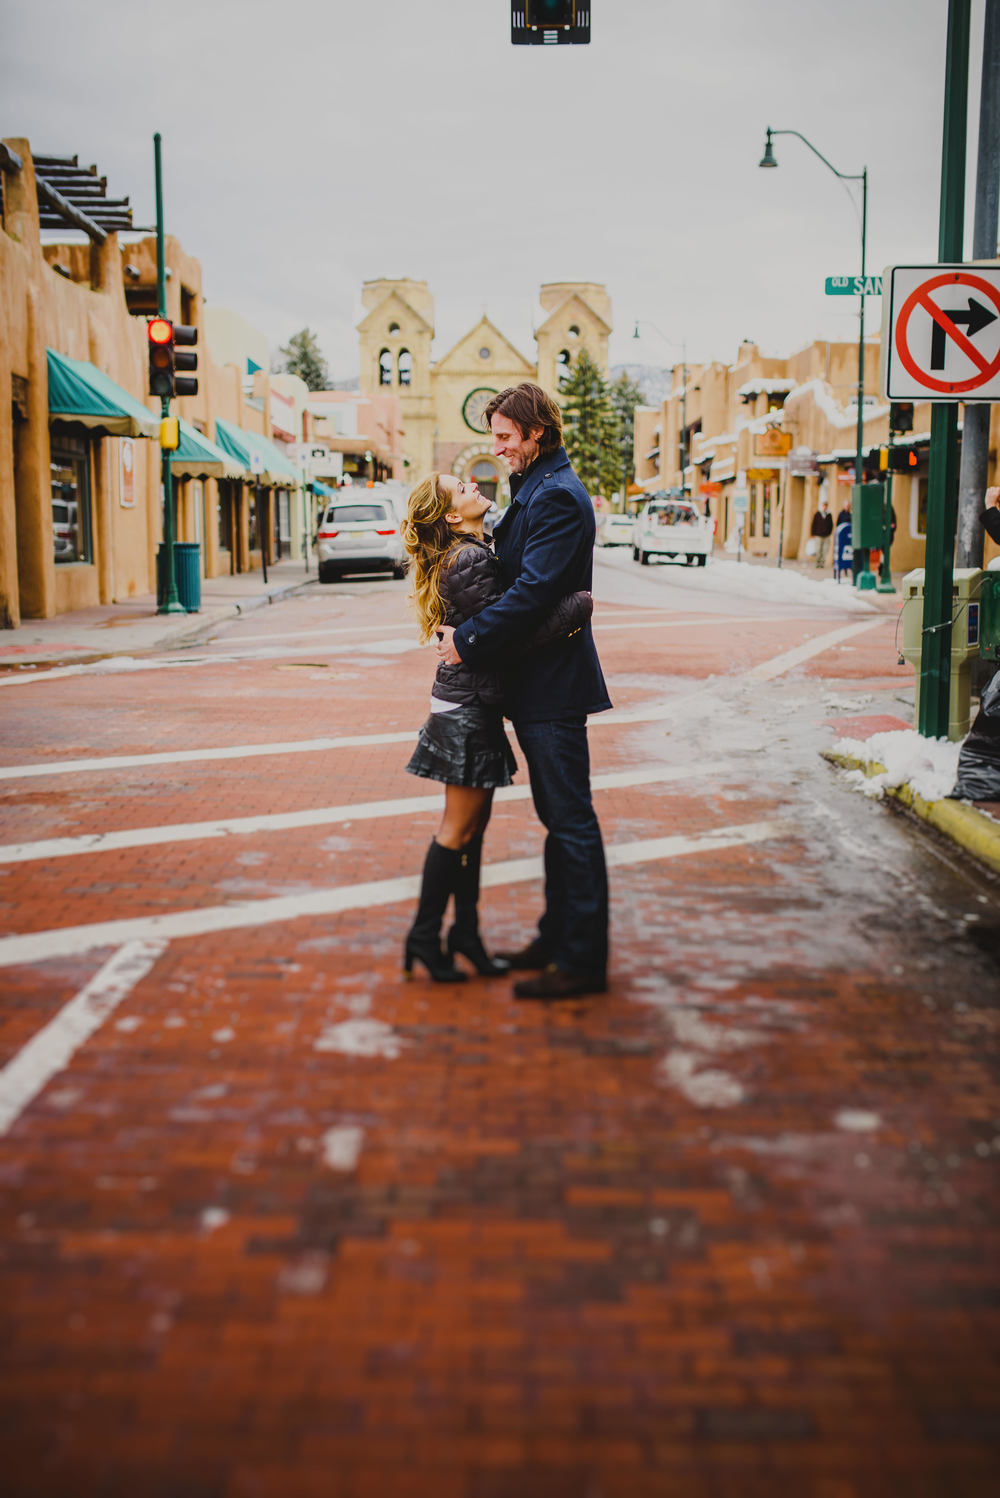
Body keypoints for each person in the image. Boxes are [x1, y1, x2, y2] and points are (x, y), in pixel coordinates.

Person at [437, 383, 612, 1001]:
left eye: (507, 437)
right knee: (556, 818)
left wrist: (468, 639)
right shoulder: (535, 487)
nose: (499, 447)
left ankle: (583, 959)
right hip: (535, 682)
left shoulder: (558, 496)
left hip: (554, 686)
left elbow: (533, 591)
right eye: (496, 438)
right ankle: (555, 936)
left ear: (538, 432)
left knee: (570, 820)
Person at [401, 472, 592, 983]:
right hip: (465, 709)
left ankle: (465, 934)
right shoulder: (467, 558)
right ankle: (424, 936)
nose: (472, 487)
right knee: (457, 831)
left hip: (472, 705)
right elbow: (502, 636)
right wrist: (574, 607)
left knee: (472, 833)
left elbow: (492, 629)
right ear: (449, 515)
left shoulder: (473, 549)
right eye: (460, 488)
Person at [809, 498, 833, 568]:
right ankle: (817, 563)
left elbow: (831, 524)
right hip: (818, 535)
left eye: (826, 505)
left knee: (825, 550)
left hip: (826, 535)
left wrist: (829, 532)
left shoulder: (829, 514)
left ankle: (822, 563)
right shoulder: (818, 514)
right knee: (818, 550)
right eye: (823, 505)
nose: (824, 506)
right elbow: (814, 524)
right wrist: (812, 534)